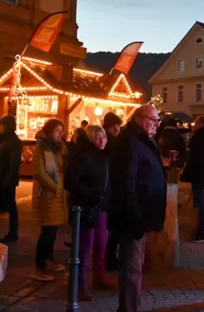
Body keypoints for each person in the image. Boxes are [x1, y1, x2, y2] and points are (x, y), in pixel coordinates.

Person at [108, 105, 166, 312]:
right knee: (131, 270)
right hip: (133, 218)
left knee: (135, 268)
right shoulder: (130, 142)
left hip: (141, 215)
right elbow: (126, 184)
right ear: (140, 119)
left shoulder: (142, 141)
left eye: (158, 121)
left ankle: (131, 307)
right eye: (154, 120)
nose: (157, 125)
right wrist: (135, 219)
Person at [64, 125, 115, 301]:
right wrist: (91, 194)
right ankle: (78, 286)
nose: (101, 141)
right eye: (97, 137)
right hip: (85, 208)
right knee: (84, 248)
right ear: (91, 138)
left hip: (101, 207)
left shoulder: (104, 157)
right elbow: (70, 182)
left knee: (101, 243)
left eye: (103, 137)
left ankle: (99, 278)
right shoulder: (83, 156)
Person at [31, 119, 69, 281]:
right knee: (47, 232)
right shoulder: (41, 147)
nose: (60, 134)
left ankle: (49, 260)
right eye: (57, 131)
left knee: (52, 232)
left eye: (62, 131)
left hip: (58, 196)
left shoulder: (59, 148)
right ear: (48, 131)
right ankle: (40, 266)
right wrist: (55, 187)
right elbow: (39, 172)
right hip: (47, 196)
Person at [181, 116, 204, 242]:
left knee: (201, 202)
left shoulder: (201, 137)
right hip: (202, 172)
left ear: (200, 124)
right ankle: (203, 227)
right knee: (203, 201)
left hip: (199, 172)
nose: (192, 125)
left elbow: (196, 156)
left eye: (195, 123)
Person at [102, 112, 123, 271]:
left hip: (111, 188)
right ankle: (109, 258)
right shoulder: (111, 143)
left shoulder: (112, 141)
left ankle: (109, 257)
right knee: (113, 227)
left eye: (118, 126)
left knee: (112, 227)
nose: (117, 128)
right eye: (115, 126)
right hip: (111, 188)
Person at [0, 116, 22, 243]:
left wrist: (7, 181)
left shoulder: (14, 142)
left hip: (6, 180)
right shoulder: (3, 139)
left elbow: (13, 164)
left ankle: (13, 231)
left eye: (2, 125)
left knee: (10, 205)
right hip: (2, 177)